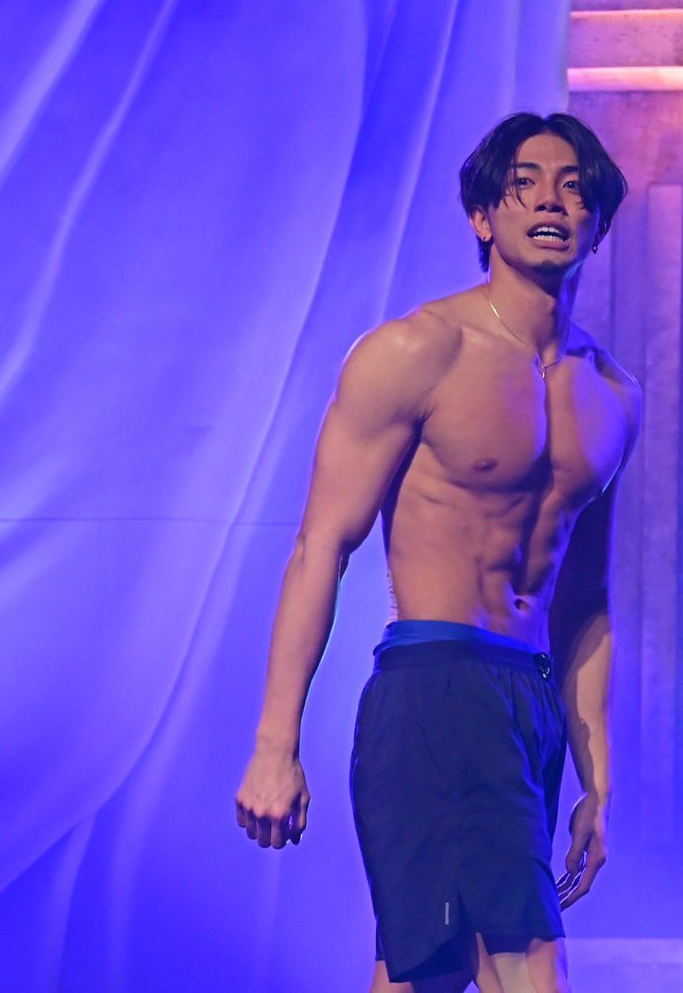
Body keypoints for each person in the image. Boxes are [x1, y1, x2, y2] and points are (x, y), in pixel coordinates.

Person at [234, 111, 638, 992]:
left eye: (575, 189)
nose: (552, 202)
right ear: (482, 217)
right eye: (525, 184)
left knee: (427, 973)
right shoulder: (418, 352)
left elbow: (585, 603)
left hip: (530, 700)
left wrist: (597, 785)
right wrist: (274, 743)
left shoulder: (613, 396)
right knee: (525, 969)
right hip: (437, 684)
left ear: (597, 223)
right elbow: (319, 546)